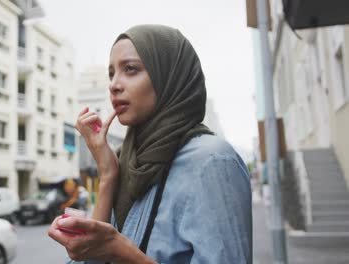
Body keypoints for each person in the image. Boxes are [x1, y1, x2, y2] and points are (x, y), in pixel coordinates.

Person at [48, 24, 252, 264]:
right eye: (111, 73)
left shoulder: (212, 162)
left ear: (168, 76)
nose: (114, 84)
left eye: (131, 69)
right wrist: (107, 174)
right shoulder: (127, 162)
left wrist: (120, 250)